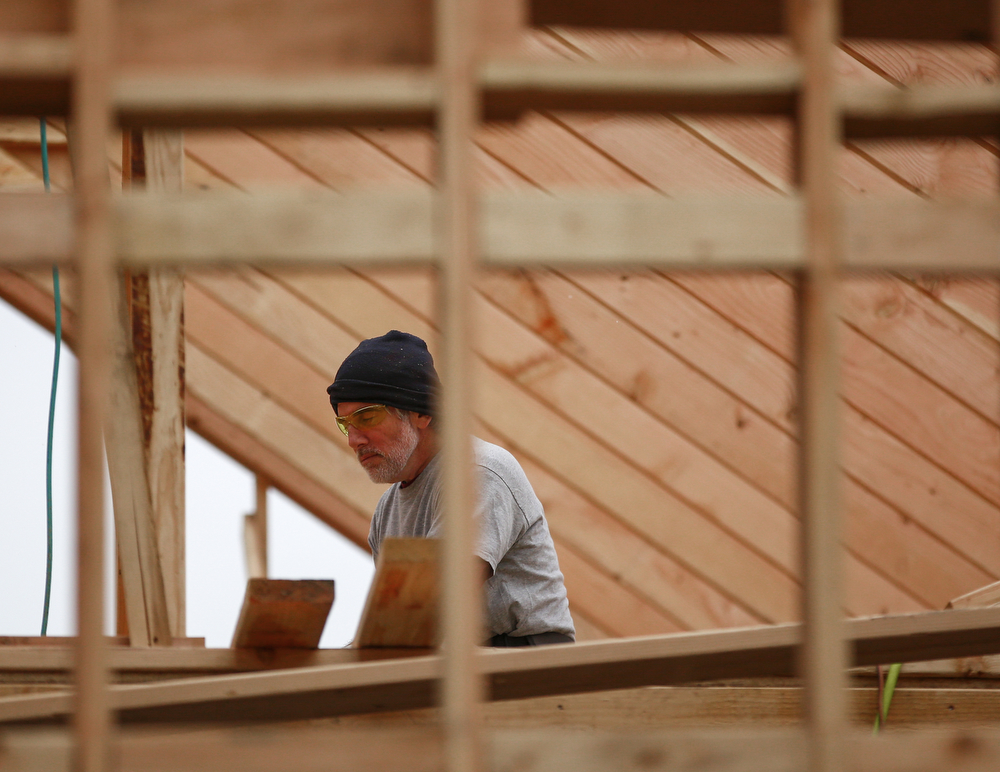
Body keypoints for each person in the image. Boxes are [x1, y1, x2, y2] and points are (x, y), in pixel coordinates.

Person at [327, 330, 575, 647]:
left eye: (367, 417)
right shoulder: (387, 512)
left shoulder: (478, 472)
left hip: (529, 659)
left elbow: (432, 606)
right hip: (455, 659)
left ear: (422, 413)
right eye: (345, 425)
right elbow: (399, 625)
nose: (353, 440)